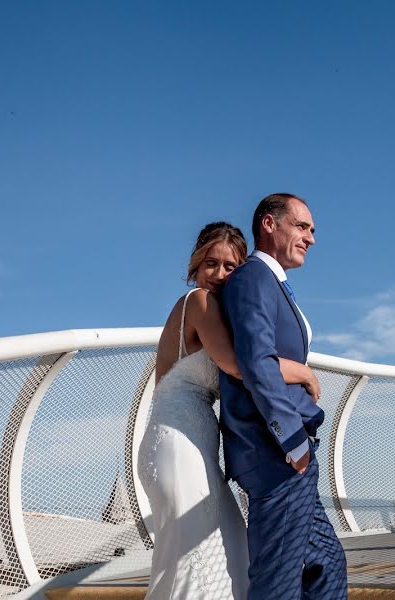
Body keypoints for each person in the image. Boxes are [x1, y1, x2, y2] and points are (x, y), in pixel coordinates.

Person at [137, 221, 321, 600]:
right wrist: (302, 371)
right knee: (202, 556)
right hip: (176, 443)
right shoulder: (199, 303)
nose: (219, 275)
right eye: (211, 264)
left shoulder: (216, 312)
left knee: (216, 550)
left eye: (230, 266)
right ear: (195, 266)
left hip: (190, 442)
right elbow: (239, 365)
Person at [220, 194, 348, 600]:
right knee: (278, 584)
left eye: (312, 230)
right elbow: (256, 361)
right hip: (277, 455)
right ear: (269, 225)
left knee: (327, 565)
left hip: (292, 459)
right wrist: (292, 441)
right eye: (302, 226)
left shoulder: (272, 283)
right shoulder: (252, 278)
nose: (310, 238)